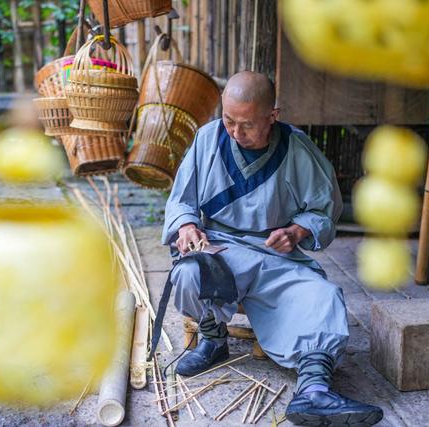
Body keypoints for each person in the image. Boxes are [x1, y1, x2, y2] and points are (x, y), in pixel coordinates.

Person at [161, 71, 383, 426]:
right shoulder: (206, 139)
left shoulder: (297, 148)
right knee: (188, 273)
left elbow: (323, 211)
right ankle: (213, 339)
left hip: (274, 256)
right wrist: (187, 225)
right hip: (220, 248)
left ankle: (314, 390)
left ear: (272, 116)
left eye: (247, 124)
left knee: (322, 296)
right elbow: (181, 200)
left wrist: (296, 232)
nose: (235, 132)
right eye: (229, 120)